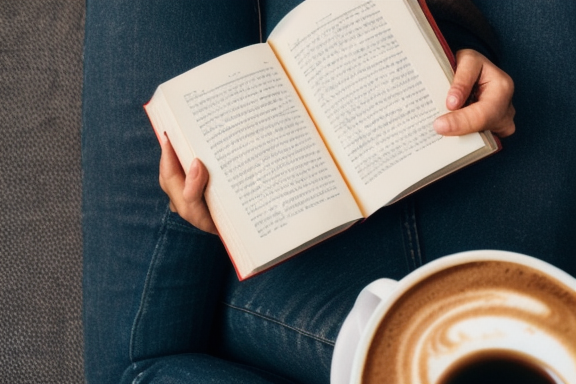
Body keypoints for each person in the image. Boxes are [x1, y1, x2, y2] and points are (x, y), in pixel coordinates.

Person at [82, 1, 576, 383]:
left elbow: (145, 366)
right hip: (521, 273)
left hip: (304, 273)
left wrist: (191, 224)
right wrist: (446, 53)